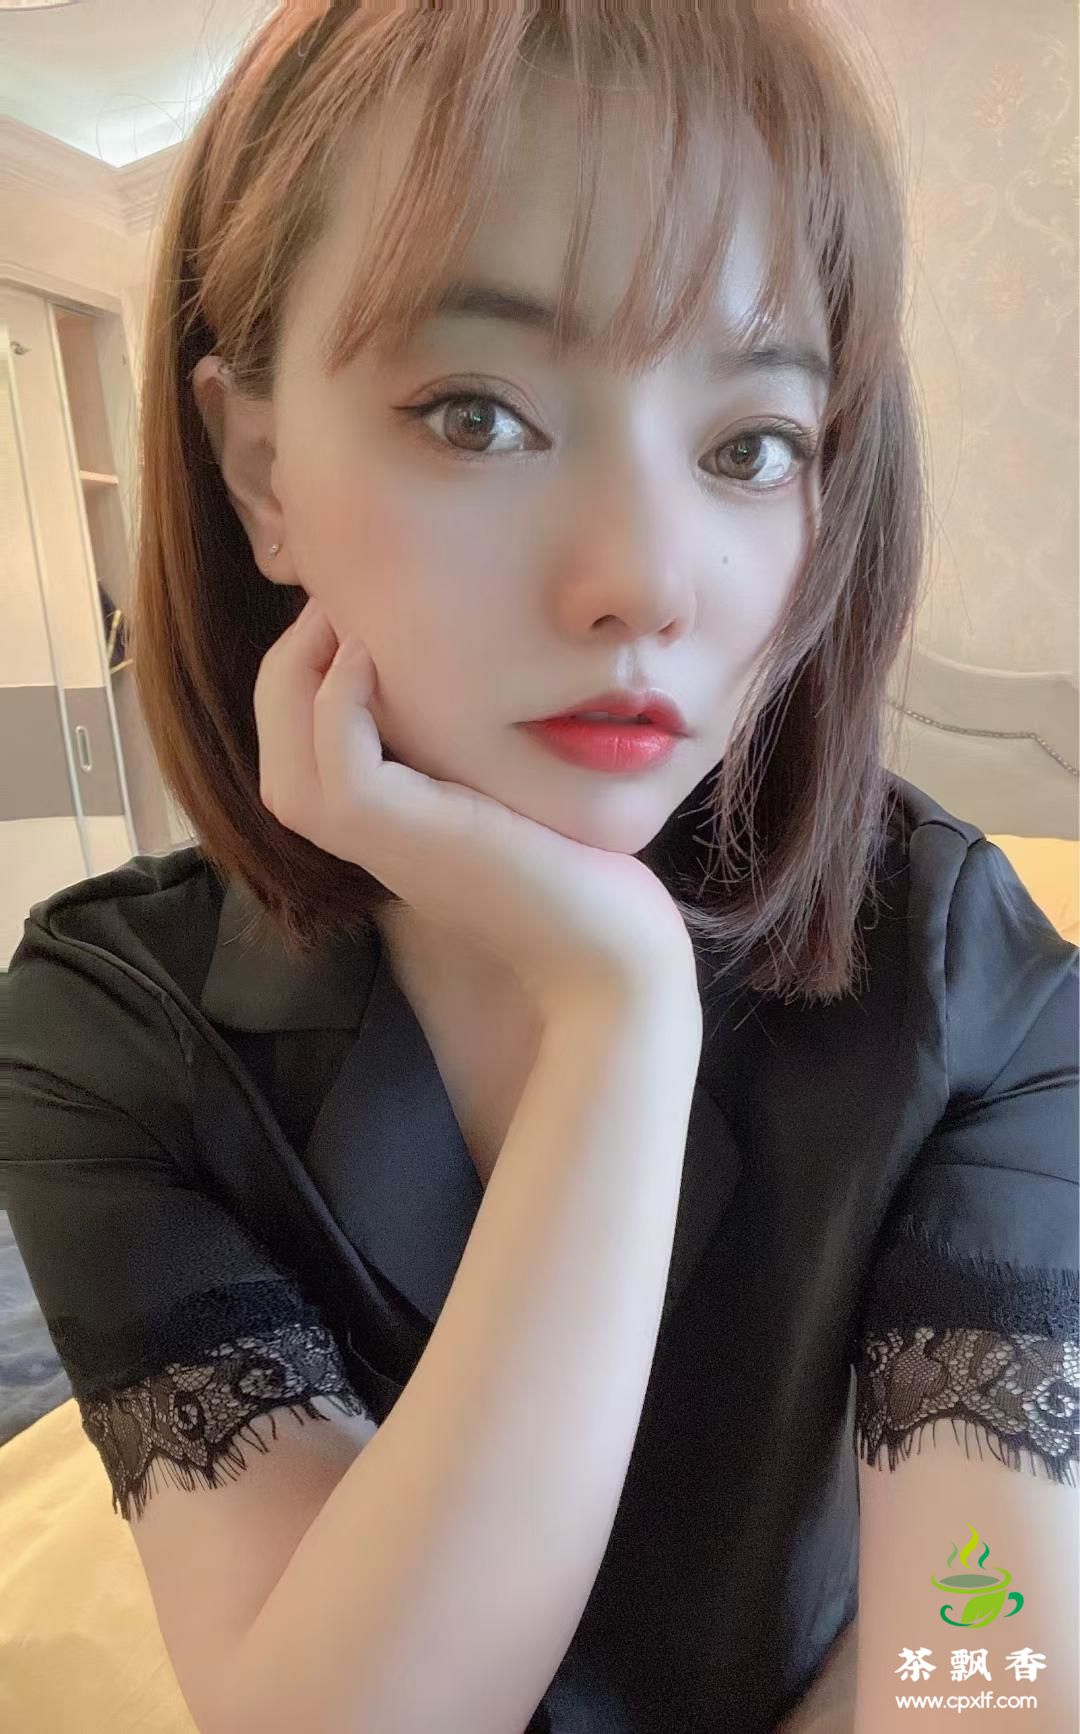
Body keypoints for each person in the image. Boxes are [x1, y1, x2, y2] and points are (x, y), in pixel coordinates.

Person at [2, 5, 1076, 1732]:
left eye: (750, 445)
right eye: (478, 414)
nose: (645, 577)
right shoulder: (106, 1028)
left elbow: (987, 1663)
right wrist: (618, 1015)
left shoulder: (979, 988)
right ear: (263, 471)